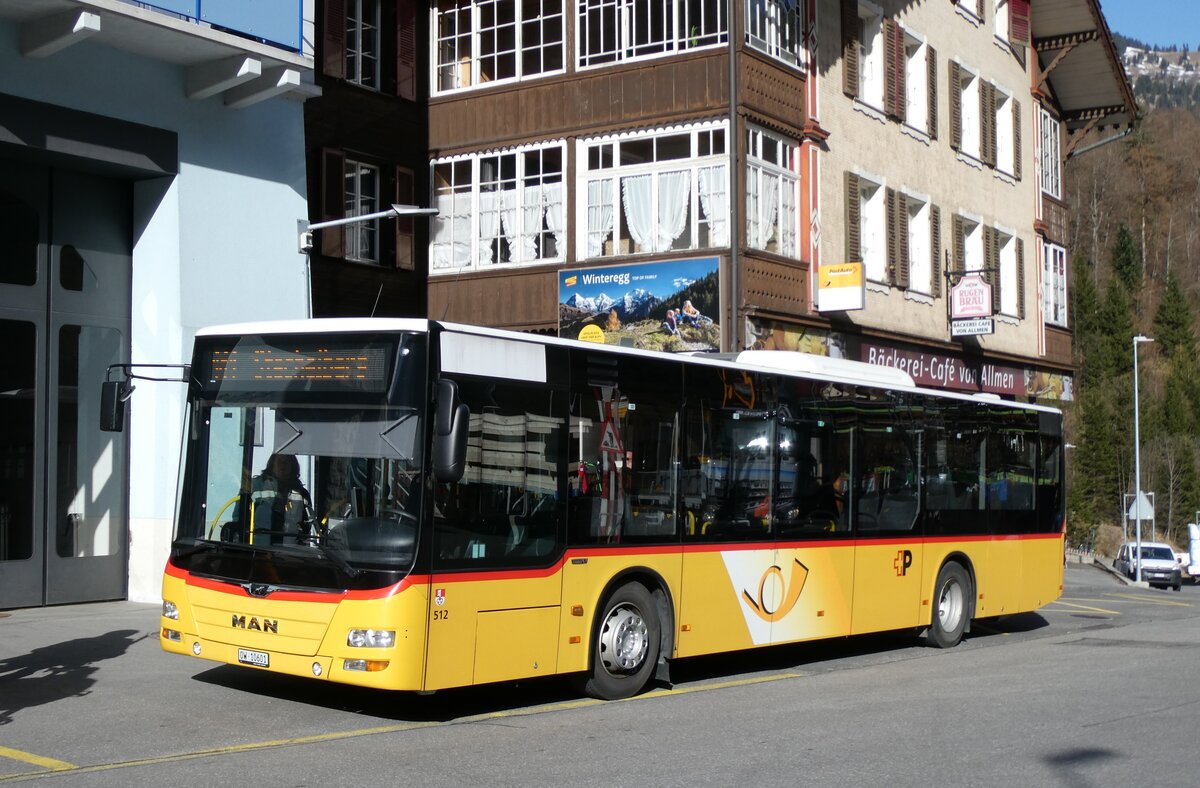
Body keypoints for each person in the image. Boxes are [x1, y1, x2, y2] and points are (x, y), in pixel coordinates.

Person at [251, 453, 313, 545]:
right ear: (272, 465)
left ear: (293, 466)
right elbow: (240, 517)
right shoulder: (256, 486)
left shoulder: (302, 493)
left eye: (287, 461)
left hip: (288, 553)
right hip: (258, 549)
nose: (283, 465)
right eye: (280, 461)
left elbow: (307, 526)